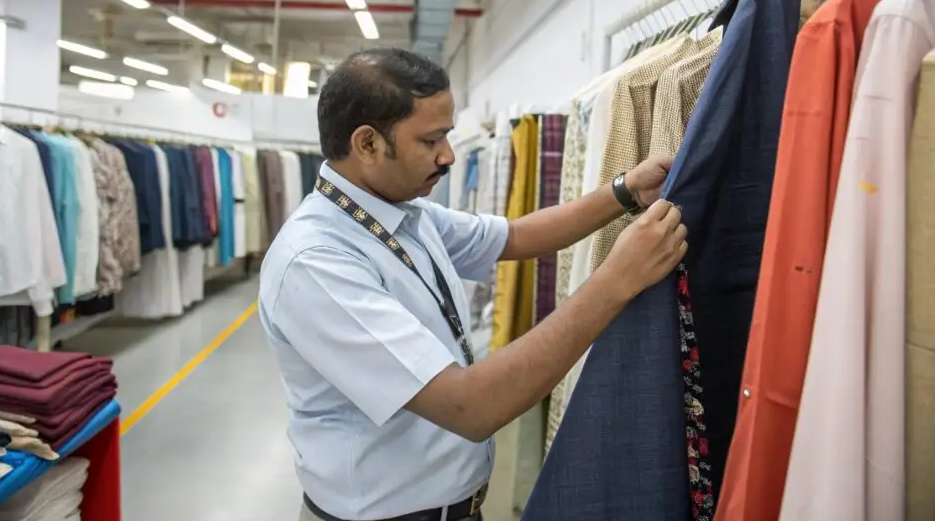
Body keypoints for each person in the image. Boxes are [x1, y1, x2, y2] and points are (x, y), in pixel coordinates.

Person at [258, 48, 687, 521]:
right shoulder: (316, 264)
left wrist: (624, 190)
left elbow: (516, 236)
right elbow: (469, 405)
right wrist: (617, 280)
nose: (448, 155)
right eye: (431, 140)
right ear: (367, 144)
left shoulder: (404, 213)